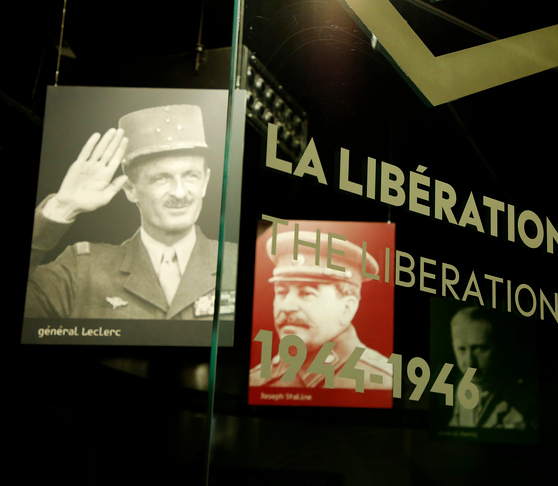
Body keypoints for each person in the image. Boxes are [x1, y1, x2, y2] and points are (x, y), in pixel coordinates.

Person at [25, 104, 236, 320]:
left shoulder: (239, 265)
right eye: (161, 178)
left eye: (191, 175)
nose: (180, 193)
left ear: (205, 181)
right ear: (131, 190)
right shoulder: (82, 271)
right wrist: (62, 207)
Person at [249, 230, 392, 390]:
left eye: (306, 293)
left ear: (347, 308)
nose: (287, 307)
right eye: (282, 292)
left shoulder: (381, 382)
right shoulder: (256, 380)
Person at [448, 307, 530, 429]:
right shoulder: (463, 386)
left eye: (480, 349)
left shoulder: (523, 398)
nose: (470, 362)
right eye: (461, 349)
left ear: (497, 347)